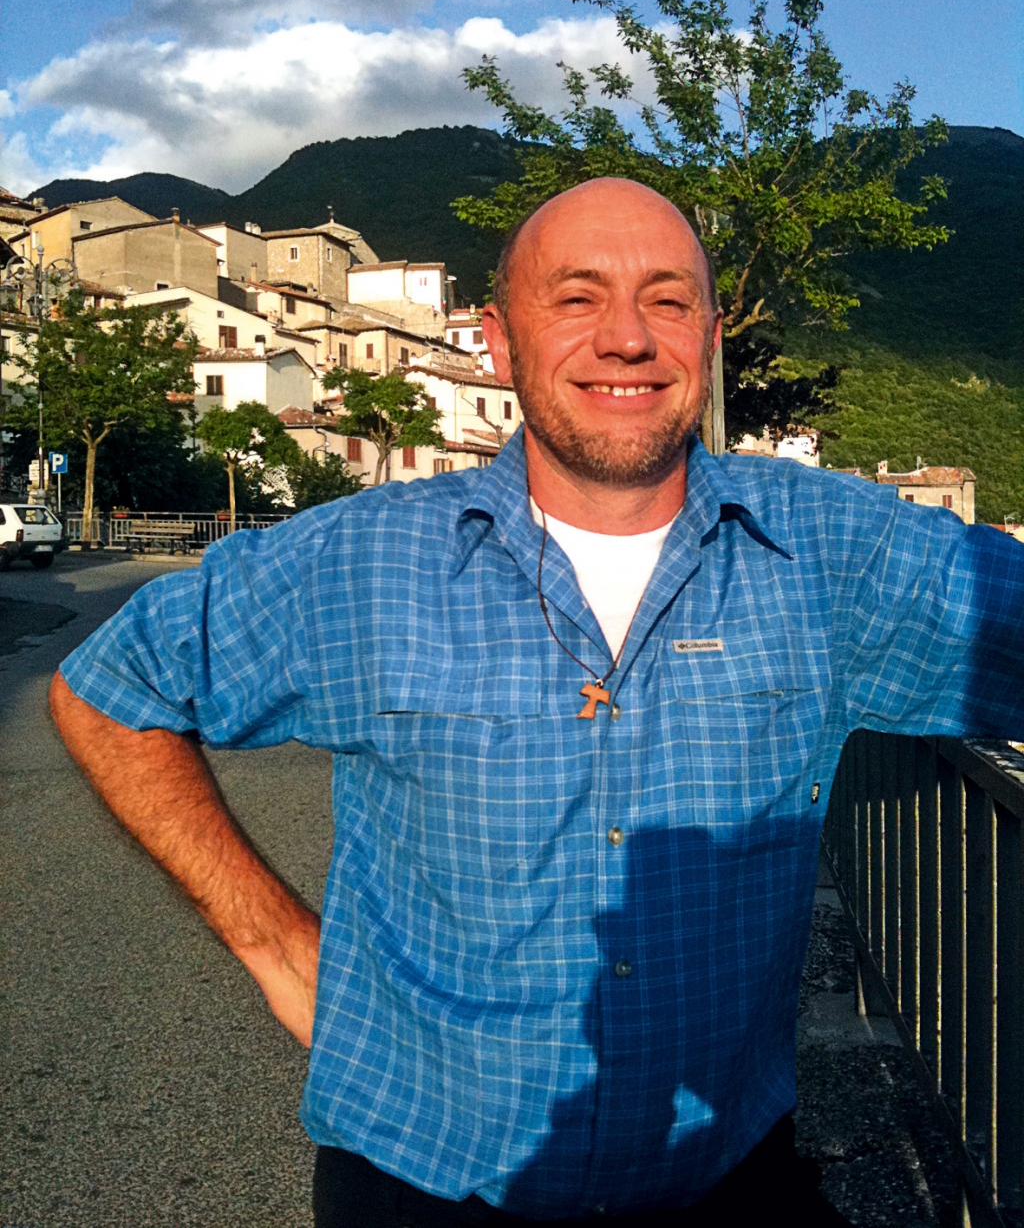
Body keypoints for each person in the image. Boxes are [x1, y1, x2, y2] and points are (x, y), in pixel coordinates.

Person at [51, 180, 1024, 1226]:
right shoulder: (364, 560)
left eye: (667, 300)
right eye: (575, 298)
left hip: (721, 1176)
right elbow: (111, 689)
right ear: (499, 341)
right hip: (422, 1180)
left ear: (708, 336)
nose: (626, 338)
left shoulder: (833, 548)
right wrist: (276, 946)